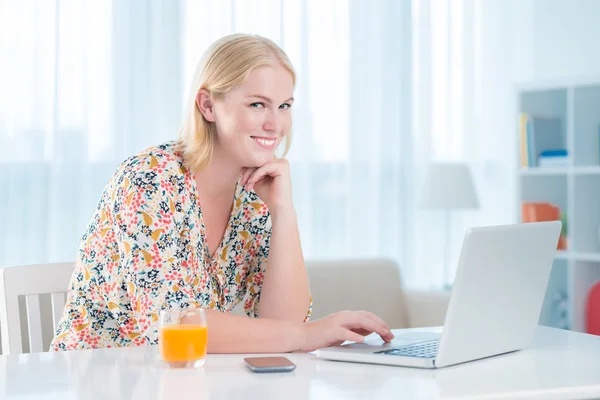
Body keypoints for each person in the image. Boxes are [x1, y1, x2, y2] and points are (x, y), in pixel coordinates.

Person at [50, 33, 394, 353]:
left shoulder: (252, 195)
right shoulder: (150, 180)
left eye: (285, 105)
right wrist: (309, 335)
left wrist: (283, 211)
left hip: (185, 381)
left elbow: (285, 324)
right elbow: (174, 323)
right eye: (258, 104)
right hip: (102, 380)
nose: (275, 124)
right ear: (208, 106)